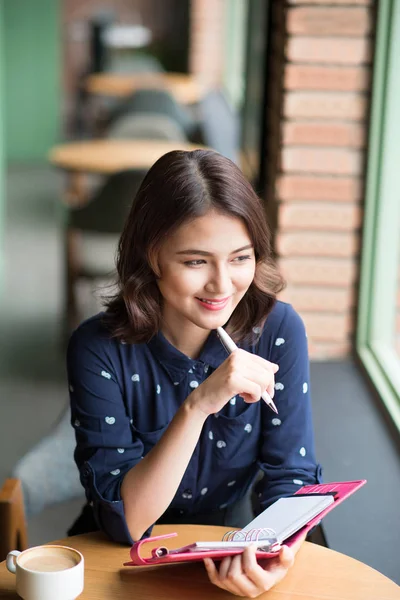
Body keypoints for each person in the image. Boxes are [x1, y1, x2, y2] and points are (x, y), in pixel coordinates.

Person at [67, 149, 322, 597]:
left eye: (240, 258)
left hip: (230, 549)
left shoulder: (278, 329)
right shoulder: (98, 349)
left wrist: (276, 553)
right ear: (152, 257)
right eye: (195, 261)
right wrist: (199, 404)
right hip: (116, 562)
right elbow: (127, 521)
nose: (222, 285)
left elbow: (291, 477)